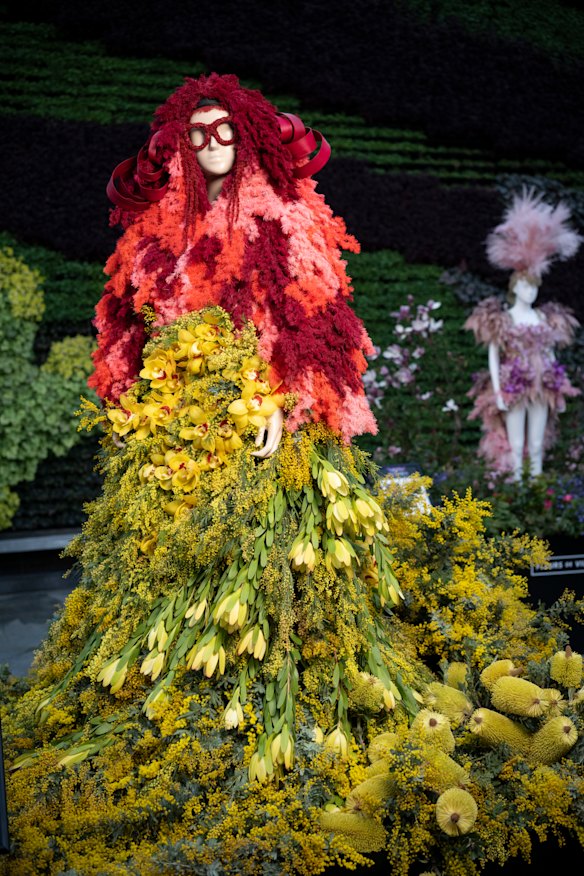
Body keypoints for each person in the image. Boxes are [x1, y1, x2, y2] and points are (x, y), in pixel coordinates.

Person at [1, 79, 583, 876]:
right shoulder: (161, 224)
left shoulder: (282, 215)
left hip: (268, 434)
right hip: (176, 434)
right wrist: (139, 399)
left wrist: (288, 400)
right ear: (179, 143)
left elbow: (311, 320)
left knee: (272, 580)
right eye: (197, 133)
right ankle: (175, 707)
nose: (212, 144)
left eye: (224, 132)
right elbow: (131, 326)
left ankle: (275, 717)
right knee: (166, 581)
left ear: (247, 138)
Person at [465, 190, 581, 480]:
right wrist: (498, 392)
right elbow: (494, 356)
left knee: (538, 443)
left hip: (542, 384)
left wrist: (559, 385)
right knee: (516, 443)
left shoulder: (542, 317)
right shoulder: (504, 319)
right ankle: (516, 488)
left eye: (535, 287)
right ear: (515, 286)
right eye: (527, 286)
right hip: (514, 382)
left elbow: (550, 353)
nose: (532, 292)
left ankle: (538, 489)